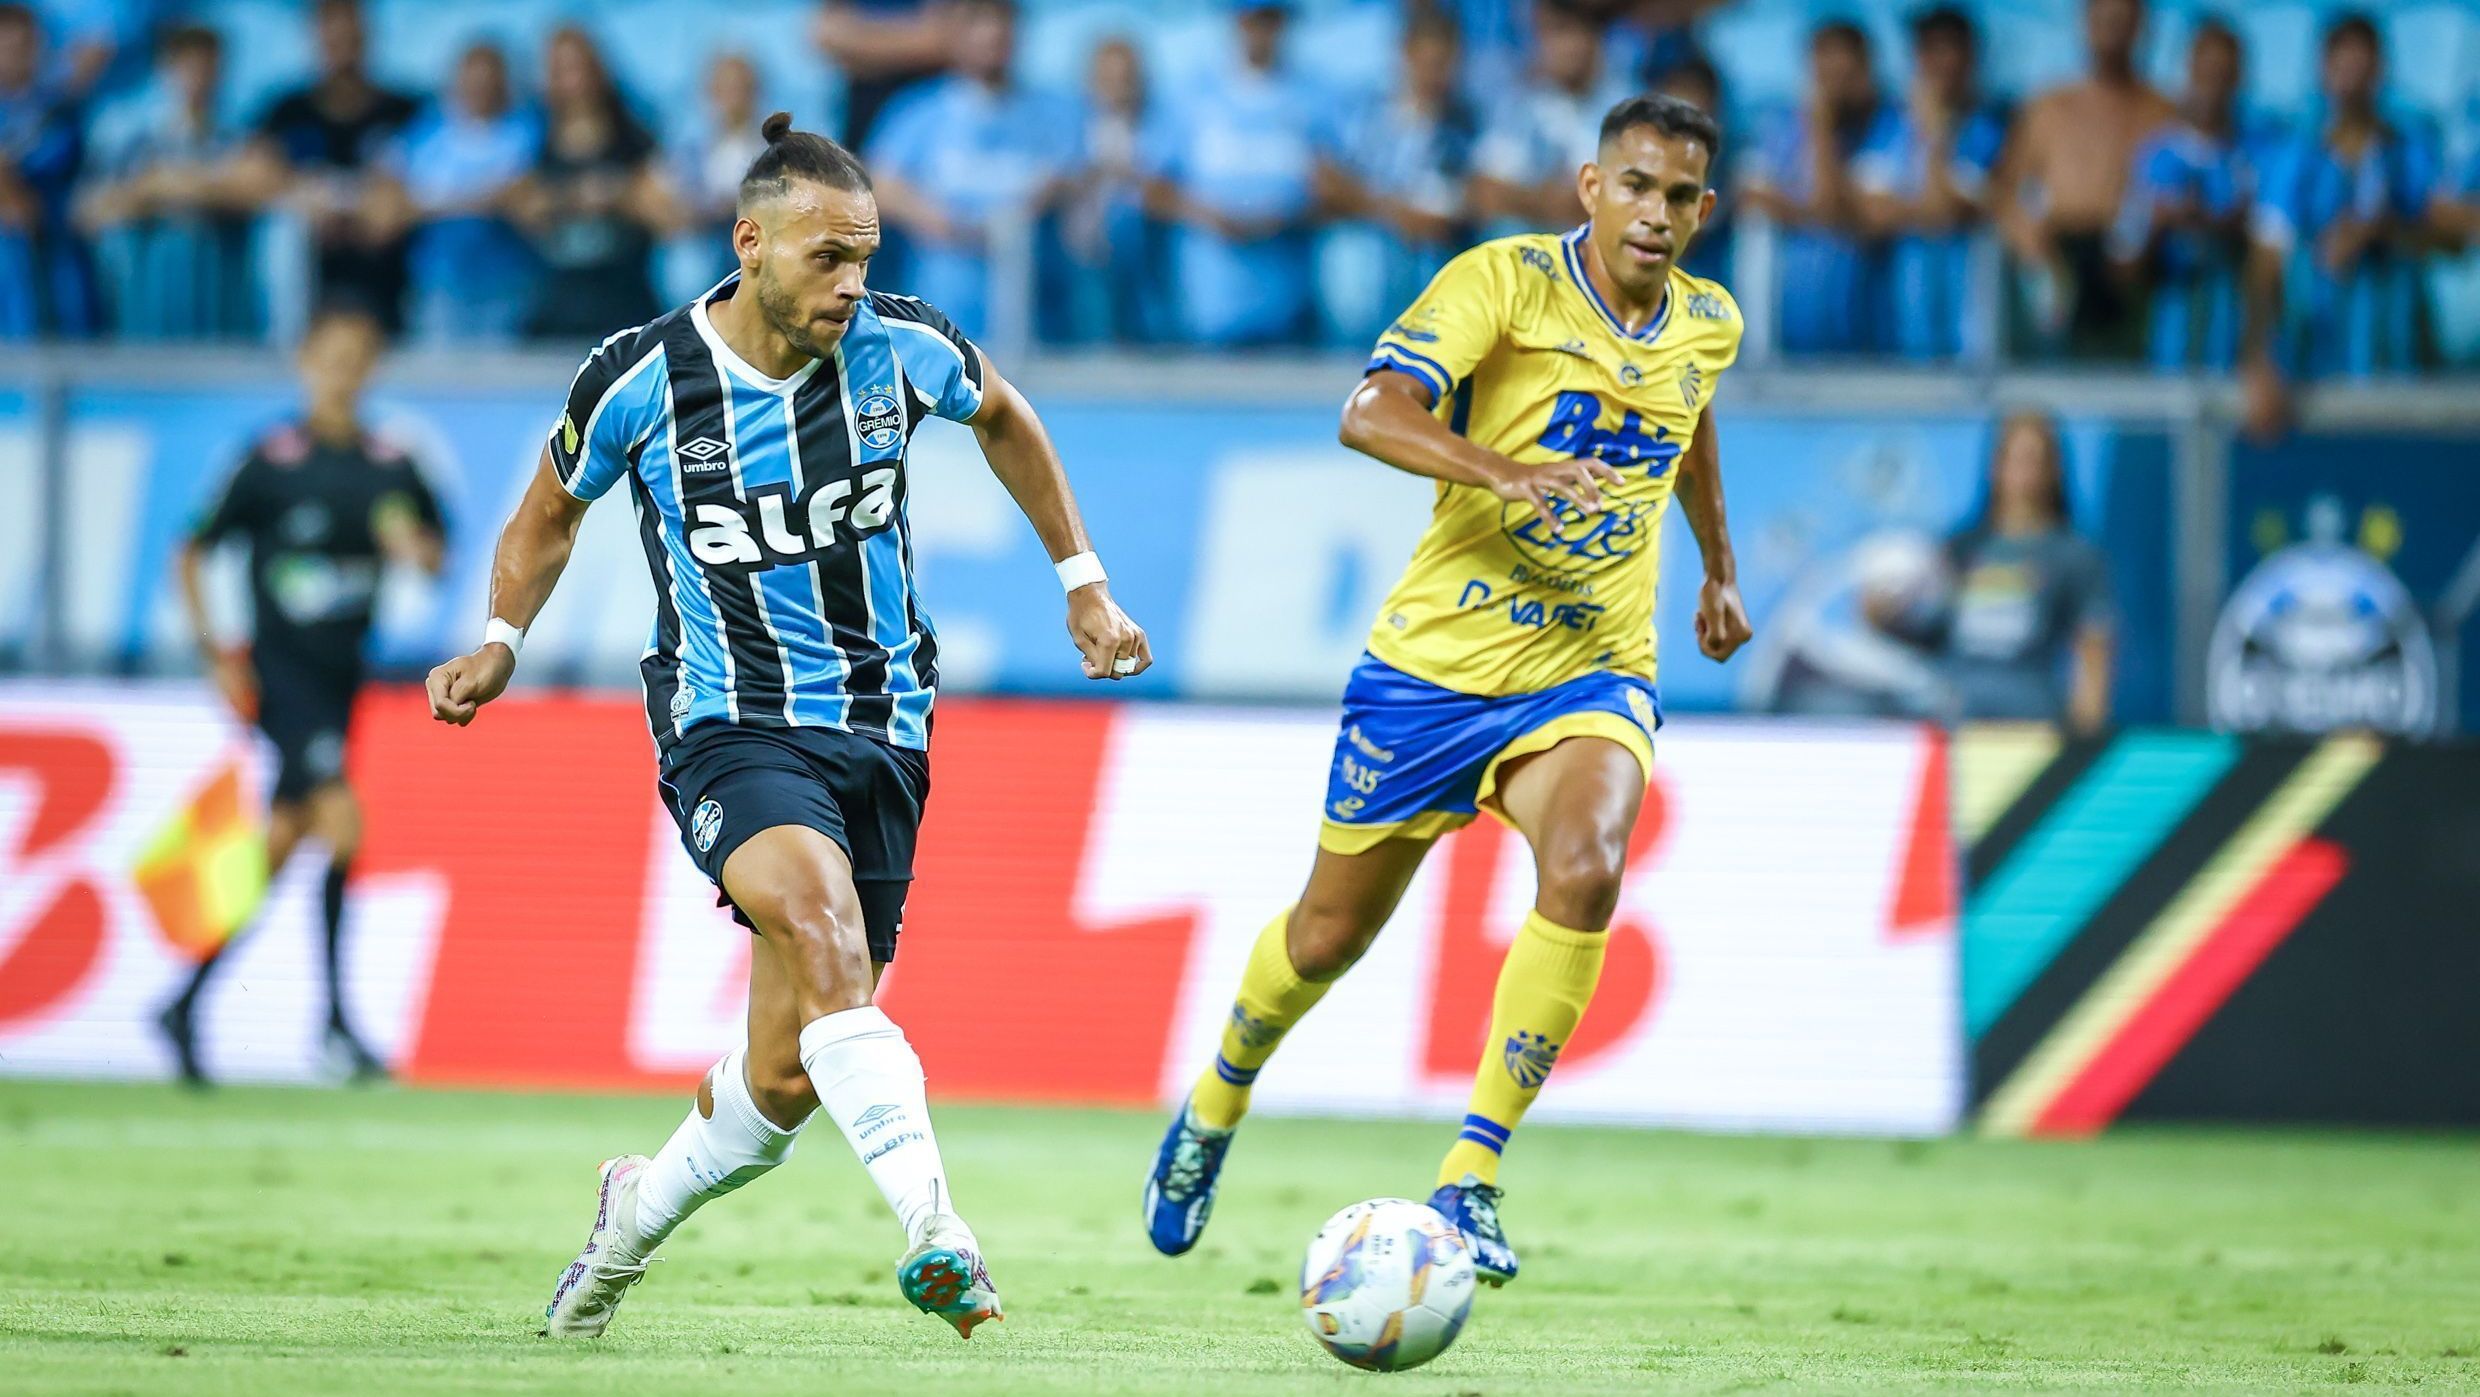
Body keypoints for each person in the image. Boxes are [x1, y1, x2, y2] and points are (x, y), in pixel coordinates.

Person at [423, 113, 1150, 1341]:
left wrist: (1082, 577)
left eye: (863, 255)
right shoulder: (644, 375)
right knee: (819, 926)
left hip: (884, 727)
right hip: (728, 723)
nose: (850, 282)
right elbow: (550, 509)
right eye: (826, 258)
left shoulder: (901, 346)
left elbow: (1008, 419)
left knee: (782, 1076)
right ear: (749, 242)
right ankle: (938, 1230)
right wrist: (499, 639)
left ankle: (627, 1220)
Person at [1142, 93, 1753, 1286]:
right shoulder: (1501, 282)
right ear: (1588, 187)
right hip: (1432, 670)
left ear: (1704, 210)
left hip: (1589, 660)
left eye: (1679, 196)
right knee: (1324, 937)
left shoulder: (1707, 322)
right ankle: (1215, 1099)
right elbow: (1368, 409)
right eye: (1634, 185)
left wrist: (1720, 570)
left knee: (1586, 863)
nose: (1656, 214)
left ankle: (1469, 1176)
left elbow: (1690, 423)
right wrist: (1505, 473)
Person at [161, 306, 448, 1085]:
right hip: (281, 679)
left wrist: (411, 547)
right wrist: (217, 652)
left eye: (358, 356)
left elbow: (436, 554)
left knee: (285, 839)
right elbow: (191, 550)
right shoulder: (270, 460)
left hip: (340, 678)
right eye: (331, 356)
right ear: (305, 362)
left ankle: (184, 1001)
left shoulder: (392, 465)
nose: (343, 371)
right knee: (344, 825)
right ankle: (336, 1023)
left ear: (372, 367)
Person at [2241, 12, 2436, 436]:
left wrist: (2379, 230)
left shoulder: (2406, 154)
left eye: (2362, 64)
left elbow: (2444, 240)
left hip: (2398, 370)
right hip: (2314, 376)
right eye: (2342, 63)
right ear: (2322, 70)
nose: (2352, 77)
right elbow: (2265, 267)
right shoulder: (2295, 158)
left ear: (2381, 70)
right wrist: (2259, 359)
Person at [1878, 410, 2113, 730]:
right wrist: (1884, 618)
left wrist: (2085, 736)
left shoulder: (2073, 555)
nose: (2024, 473)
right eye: (2015, 459)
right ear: (1995, 466)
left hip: (2029, 720)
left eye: (2035, 460)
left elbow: (2094, 646)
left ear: (2055, 469)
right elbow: (1932, 636)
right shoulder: (1959, 549)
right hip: (1954, 716)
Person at [867, 0, 1079, 340]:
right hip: (941, 315)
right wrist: (939, 220)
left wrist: (1042, 200)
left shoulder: (1055, 113)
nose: (992, 33)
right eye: (977, 21)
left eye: (1002, 20)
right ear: (953, 33)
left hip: (1033, 316)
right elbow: (877, 183)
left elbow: (1079, 178)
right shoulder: (917, 112)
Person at [1140, 0, 1347, 347]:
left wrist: (1284, 217)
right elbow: (1152, 189)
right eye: (1254, 21)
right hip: (1209, 309)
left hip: (1290, 306)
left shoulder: (1315, 98)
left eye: (1271, 21)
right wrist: (1208, 215)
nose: (1262, 33)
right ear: (1236, 21)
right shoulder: (1192, 96)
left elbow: (1341, 196)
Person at [1990, 0, 2175, 360]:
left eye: (2123, 19)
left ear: (2143, 27)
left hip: (2127, 267)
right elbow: (2009, 191)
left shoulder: (2161, 112)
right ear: (2084, 23)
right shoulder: (2049, 107)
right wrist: (2035, 252)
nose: (2112, 29)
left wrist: (2144, 243)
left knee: (2122, 382)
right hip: (2056, 258)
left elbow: (2170, 192)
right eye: (2103, 18)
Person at [229, 0, 420, 332]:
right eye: (333, 37)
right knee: (281, 229)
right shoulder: (286, 112)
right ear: (315, 38)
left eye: (350, 37)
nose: (342, 48)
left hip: (386, 263)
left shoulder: (405, 111)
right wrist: (304, 197)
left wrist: (387, 199)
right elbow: (247, 175)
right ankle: (282, 344)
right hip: (308, 268)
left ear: (368, 37)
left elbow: (443, 174)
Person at [75, 23, 255, 339]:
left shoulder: (236, 136)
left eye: (209, 68)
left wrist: (174, 185)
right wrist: (150, 192)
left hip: (220, 292)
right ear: (166, 69)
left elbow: (261, 187)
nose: (200, 79)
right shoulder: (133, 137)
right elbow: (89, 211)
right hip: (149, 287)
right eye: (190, 67)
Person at [1851, 5, 2009, 361]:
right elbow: (1869, 214)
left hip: (1970, 336)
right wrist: (1926, 209)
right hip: (1897, 334)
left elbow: (1947, 211)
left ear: (1971, 57)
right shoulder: (1890, 125)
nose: (1939, 62)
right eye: (1929, 49)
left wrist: (1935, 136)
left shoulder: (1989, 130)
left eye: (1949, 49)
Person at [2108, 19, 2259, 371]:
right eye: (2205, 71)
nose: (2213, 86)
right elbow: (2123, 264)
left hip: (2238, 352)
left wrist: (2222, 226)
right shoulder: (2155, 159)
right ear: (2187, 71)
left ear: (2240, 78)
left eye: (2224, 73)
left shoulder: (2257, 155)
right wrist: (2160, 226)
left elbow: (2273, 248)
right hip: (2168, 350)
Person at [508, 26, 674, 343]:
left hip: (624, 301)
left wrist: (618, 195)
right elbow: (523, 206)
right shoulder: (532, 137)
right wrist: (576, 196)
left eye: (577, 69)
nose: (572, 83)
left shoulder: (635, 137)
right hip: (557, 304)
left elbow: (667, 213)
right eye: (559, 71)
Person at [1736, 19, 1887, 355]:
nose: (1834, 90)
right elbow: (1750, 198)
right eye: (1825, 76)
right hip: (1784, 335)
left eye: (1844, 77)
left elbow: (1842, 210)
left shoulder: (1887, 129)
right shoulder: (1776, 127)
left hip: (1862, 333)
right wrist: (1824, 212)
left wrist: (1821, 129)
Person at [373, 41, 539, 344]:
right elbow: (389, 212)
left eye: (489, 79)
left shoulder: (527, 131)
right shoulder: (424, 135)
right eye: (472, 78)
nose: (480, 88)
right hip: (438, 285)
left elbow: (525, 202)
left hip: (507, 285)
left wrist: (434, 202)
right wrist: (484, 198)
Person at [1338, 6, 1480, 323]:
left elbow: (1484, 185)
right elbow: (1332, 185)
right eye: (1428, 63)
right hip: (1381, 237)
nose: (1435, 74)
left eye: (1444, 64)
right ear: (1406, 54)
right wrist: (1396, 213)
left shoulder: (1468, 120)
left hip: (1447, 239)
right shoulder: (1372, 115)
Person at [1469, 0, 1627, 233]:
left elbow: (1622, 204)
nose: (1571, 47)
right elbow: (1485, 193)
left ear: (1596, 40)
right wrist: (1548, 201)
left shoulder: (1623, 108)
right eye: (1560, 33)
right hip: (1523, 253)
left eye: (1580, 33)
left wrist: (1523, 198)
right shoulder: (1520, 103)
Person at [0, 1, 92, 338]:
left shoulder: (59, 110)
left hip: (54, 253)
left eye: (25, 46)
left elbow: (53, 160)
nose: (17, 56)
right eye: (7, 47)